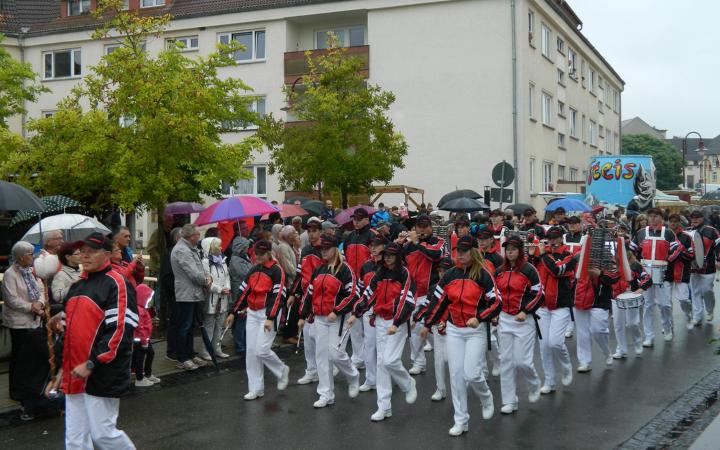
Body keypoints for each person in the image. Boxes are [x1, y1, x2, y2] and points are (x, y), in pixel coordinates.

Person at [47, 232, 137, 449]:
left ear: (107, 254)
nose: (85, 256)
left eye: (92, 252)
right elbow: (68, 334)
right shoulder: (77, 287)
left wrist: (91, 363)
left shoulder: (117, 283)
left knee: (103, 434)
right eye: (82, 252)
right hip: (74, 373)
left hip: (101, 372)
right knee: (75, 438)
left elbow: (120, 332)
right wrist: (61, 371)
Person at [420, 235, 501, 437]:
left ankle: (486, 396)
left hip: (475, 331)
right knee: (456, 376)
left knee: (472, 373)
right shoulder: (449, 275)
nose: (461, 254)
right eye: (459, 250)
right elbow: (438, 302)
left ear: (473, 251)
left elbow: (496, 302)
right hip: (454, 330)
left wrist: (480, 317)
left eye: (465, 250)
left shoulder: (483, 275)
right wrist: (427, 324)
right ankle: (461, 420)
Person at [348, 242, 417, 421]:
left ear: (398, 256)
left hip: (397, 324)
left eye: (391, 255)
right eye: (385, 254)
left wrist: (397, 322)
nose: (387, 257)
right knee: (381, 363)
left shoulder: (404, 274)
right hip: (380, 321)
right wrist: (356, 312)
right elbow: (369, 294)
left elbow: (407, 301)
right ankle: (384, 406)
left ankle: (408, 383)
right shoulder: (380, 273)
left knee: (390, 360)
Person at [298, 234, 360, 408]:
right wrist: (303, 315)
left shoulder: (345, 270)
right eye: (322, 249)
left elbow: (353, 294)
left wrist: (337, 310)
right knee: (321, 356)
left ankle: (353, 376)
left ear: (335, 249)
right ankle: (326, 394)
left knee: (336, 353)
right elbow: (309, 294)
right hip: (319, 318)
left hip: (338, 319)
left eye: (327, 248)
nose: (323, 251)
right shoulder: (319, 270)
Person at [225, 240, 290, 401]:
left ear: (269, 253)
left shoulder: (277, 271)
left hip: (268, 314)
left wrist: (270, 317)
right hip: (252, 313)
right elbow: (243, 291)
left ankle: (281, 370)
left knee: (262, 350)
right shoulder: (253, 269)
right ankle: (255, 388)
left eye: (261, 253)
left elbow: (278, 295)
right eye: (256, 253)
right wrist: (233, 312)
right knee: (251, 353)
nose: (258, 256)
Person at [495, 236, 543, 414]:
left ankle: (533, 382)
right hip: (504, 319)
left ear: (520, 250)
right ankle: (509, 401)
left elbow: (539, 294)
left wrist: (526, 311)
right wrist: (494, 314)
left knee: (522, 362)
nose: (510, 252)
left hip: (524, 321)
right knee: (506, 361)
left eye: (513, 249)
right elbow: (494, 294)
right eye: (507, 249)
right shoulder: (499, 271)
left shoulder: (529, 270)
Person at [2, 241, 47, 421]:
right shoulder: (9, 274)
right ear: (21, 257)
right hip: (18, 323)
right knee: (20, 359)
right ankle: (17, 392)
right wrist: (31, 307)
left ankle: (32, 390)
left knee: (32, 360)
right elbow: (11, 299)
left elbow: (41, 289)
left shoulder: (31, 271)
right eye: (30, 254)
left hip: (34, 321)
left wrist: (41, 303)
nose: (33, 257)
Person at [630, 207, 681, 346]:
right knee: (647, 305)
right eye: (650, 216)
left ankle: (667, 327)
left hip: (663, 273)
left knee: (665, 305)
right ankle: (649, 336)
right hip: (646, 272)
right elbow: (631, 250)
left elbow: (677, 248)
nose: (653, 218)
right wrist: (636, 266)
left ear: (661, 218)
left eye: (656, 216)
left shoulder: (668, 233)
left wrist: (668, 260)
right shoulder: (641, 233)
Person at [536, 226, 576, 394]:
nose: (552, 240)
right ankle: (549, 381)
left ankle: (566, 367)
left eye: (555, 237)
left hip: (561, 305)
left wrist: (542, 254)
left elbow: (557, 270)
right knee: (544, 346)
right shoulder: (542, 255)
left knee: (555, 342)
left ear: (561, 238)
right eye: (549, 237)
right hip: (542, 306)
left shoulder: (569, 256)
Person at [403, 214, 445, 375]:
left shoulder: (438, 241)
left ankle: (443, 354)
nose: (422, 229)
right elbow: (398, 261)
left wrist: (417, 242)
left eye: (425, 226)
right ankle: (419, 362)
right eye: (419, 226)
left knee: (433, 326)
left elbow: (435, 255)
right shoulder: (409, 246)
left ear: (431, 227)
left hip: (432, 292)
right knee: (414, 328)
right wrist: (400, 244)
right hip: (414, 292)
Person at [170, 224, 211, 371]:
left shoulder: (188, 248)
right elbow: (193, 273)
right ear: (191, 236)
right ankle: (182, 357)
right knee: (185, 326)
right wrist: (206, 281)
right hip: (186, 293)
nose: (199, 237)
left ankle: (190, 353)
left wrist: (206, 278)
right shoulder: (182, 250)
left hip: (192, 293)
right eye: (197, 235)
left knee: (190, 326)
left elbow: (198, 269)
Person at [290, 219, 325, 385]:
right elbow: (299, 274)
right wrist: (293, 293)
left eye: (314, 230)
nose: (311, 233)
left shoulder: (326, 250)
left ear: (320, 232)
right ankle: (311, 371)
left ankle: (323, 370)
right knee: (307, 337)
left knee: (319, 338)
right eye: (309, 230)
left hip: (321, 299)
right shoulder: (305, 250)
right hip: (306, 298)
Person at [354, 234, 389, 392]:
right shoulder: (366, 266)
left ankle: (386, 379)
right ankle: (370, 379)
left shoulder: (390, 265)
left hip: (385, 312)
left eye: (376, 244)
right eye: (371, 245)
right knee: (369, 346)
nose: (373, 247)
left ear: (384, 246)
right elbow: (362, 289)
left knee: (384, 351)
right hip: (369, 311)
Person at [343, 207, 377, 369]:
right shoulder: (350, 237)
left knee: (369, 325)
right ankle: (358, 356)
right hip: (353, 285)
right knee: (355, 324)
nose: (355, 222)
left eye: (359, 219)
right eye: (354, 219)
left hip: (369, 284)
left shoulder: (373, 236)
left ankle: (371, 356)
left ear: (366, 220)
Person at [611, 246, 652, 358]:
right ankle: (621, 349)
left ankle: (637, 342)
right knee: (618, 325)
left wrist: (639, 290)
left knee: (632, 324)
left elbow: (648, 279)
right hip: (616, 298)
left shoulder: (635, 265)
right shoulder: (611, 264)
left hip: (631, 298)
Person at [200, 237, 232, 360]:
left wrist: (227, 287)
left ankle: (216, 348)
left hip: (223, 298)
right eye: (218, 246)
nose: (221, 248)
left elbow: (227, 276)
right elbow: (207, 281)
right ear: (211, 248)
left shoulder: (222, 261)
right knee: (209, 325)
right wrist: (219, 289)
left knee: (219, 325)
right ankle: (205, 351)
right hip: (212, 298)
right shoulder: (205, 262)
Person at [688, 210, 719, 326]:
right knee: (695, 291)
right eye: (692, 217)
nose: (695, 219)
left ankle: (710, 310)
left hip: (708, 267)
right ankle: (697, 315)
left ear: (702, 218)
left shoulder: (711, 231)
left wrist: (719, 259)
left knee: (707, 291)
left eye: (697, 217)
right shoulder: (688, 231)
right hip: (693, 267)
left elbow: (719, 246)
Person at [668, 214, 695, 330]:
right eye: (671, 221)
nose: (673, 223)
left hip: (682, 271)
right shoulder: (664, 235)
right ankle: (667, 324)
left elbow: (692, 255)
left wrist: (680, 252)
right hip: (666, 272)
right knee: (666, 302)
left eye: (675, 221)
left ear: (679, 222)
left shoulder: (686, 237)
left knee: (684, 299)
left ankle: (688, 316)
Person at [132, 284, 161, 387]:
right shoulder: (139, 310)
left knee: (149, 354)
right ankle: (139, 379)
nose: (149, 300)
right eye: (148, 298)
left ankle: (147, 374)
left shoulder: (142, 309)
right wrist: (144, 341)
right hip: (141, 340)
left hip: (144, 339)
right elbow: (140, 328)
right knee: (140, 358)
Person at [228, 234, 253, 355]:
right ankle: (240, 346)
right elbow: (245, 273)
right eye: (245, 247)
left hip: (245, 291)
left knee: (243, 318)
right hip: (239, 292)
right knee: (241, 319)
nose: (247, 249)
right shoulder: (235, 260)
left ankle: (243, 341)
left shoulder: (244, 257)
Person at [162, 227, 182, 361]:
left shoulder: (180, 252)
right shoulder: (172, 253)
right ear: (177, 239)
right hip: (175, 294)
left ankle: (180, 349)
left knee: (180, 322)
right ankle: (172, 351)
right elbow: (167, 276)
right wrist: (175, 292)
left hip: (180, 293)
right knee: (175, 322)